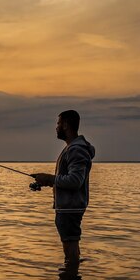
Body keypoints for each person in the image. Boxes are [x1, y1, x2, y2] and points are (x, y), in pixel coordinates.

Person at [32, 110, 95, 264]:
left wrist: (50, 178)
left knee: (70, 248)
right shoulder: (72, 148)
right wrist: (46, 181)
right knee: (70, 246)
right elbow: (66, 179)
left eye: (58, 123)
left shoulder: (76, 149)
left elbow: (75, 181)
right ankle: (71, 278)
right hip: (67, 208)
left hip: (70, 209)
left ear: (66, 125)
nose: (56, 127)